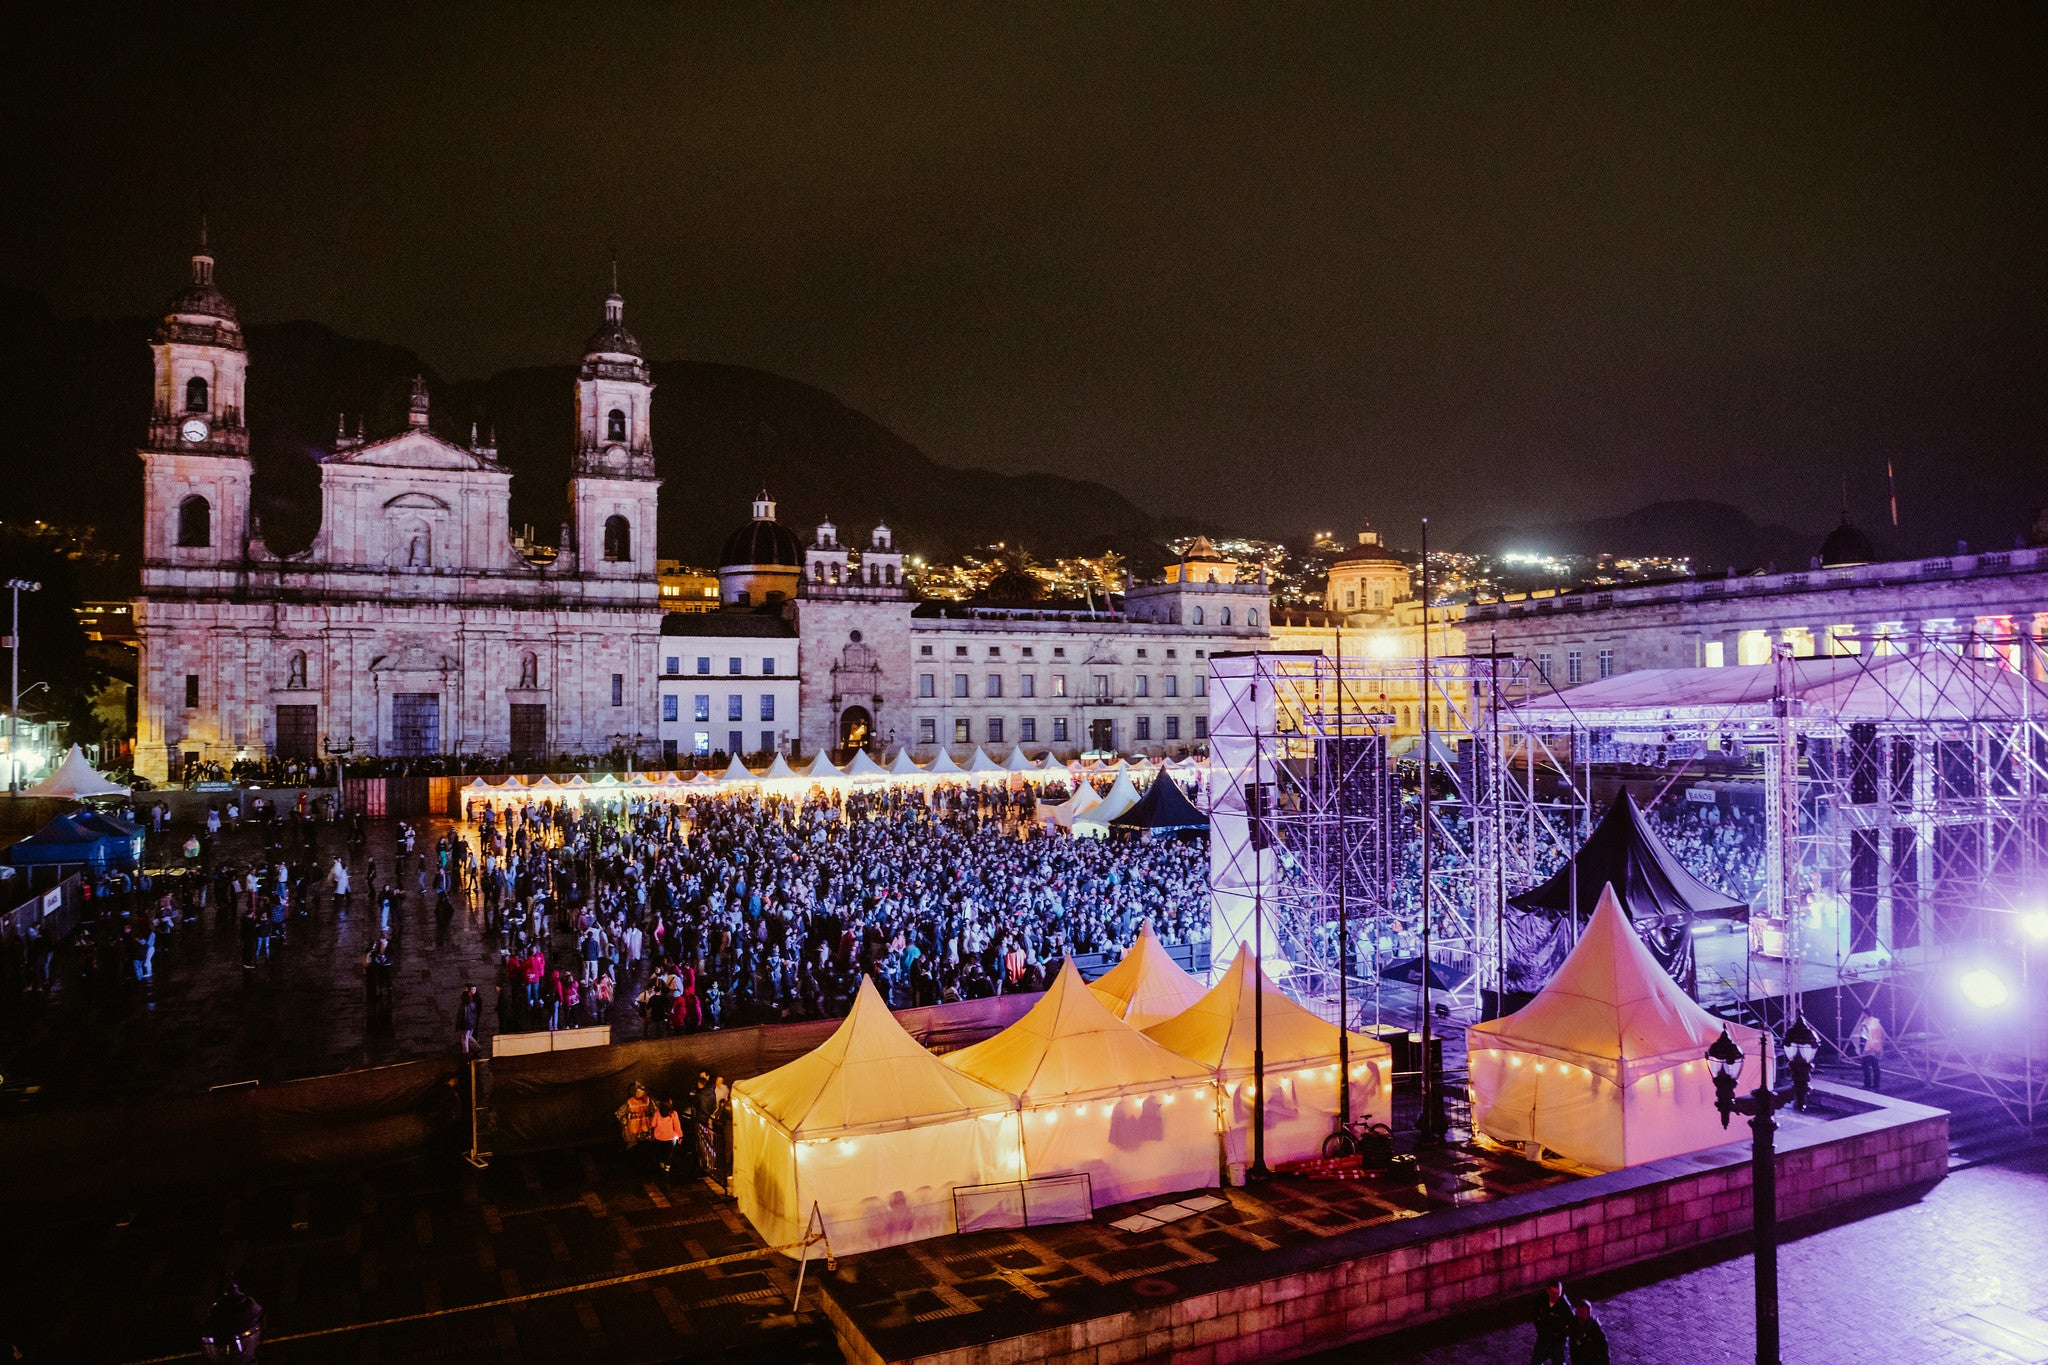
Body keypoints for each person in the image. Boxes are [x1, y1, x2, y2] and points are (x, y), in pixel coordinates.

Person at [1531, 1280, 1574, 1365]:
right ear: (1547, 1290)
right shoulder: (1541, 1299)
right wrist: (1539, 1329)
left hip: (1558, 1342)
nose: (1556, 1297)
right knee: (1536, 1361)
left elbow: (1573, 1324)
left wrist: (1561, 1335)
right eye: (1553, 1293)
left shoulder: (1564, 1305)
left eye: (1558, 1293)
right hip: (1544, 1338)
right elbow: (1535, 1314)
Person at [1852, 1011, 1886, 1091]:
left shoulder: (1865, 1023)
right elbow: (1883, 1035)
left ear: (1864, 1014)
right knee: (1875, 1067)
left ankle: (1867, 1084)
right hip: (1876, 1047)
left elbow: (1863, 1036)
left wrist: (1860, 1048)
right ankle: (1876, 1085)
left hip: (1868, 1047)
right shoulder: (1877, 1023)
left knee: (1865, 1066)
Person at [649, 1099, 684, 1176]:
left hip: (659, 1137)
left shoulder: (657, 1113)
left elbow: (653, 1124)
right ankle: (667, 1168)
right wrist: (680, 1136)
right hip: (670, 1137)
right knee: (669, 1153)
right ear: (669, 1104)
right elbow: (677, 1126)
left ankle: (661, 1165)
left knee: (661, 1152)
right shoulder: (673, 1114)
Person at [1570, 1299, 1610, 1365]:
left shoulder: (1595, 1328)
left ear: (1588, 1314)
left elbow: (1604, 1349)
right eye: (1578, 1312)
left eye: (1582, 1313)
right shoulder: (1574, 1321)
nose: (1579, 1316)